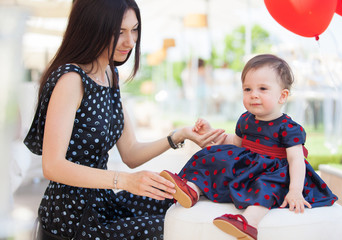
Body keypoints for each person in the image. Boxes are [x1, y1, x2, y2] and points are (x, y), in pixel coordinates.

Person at [23, 0, 224, 239]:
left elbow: (130, 153)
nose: (130, 41)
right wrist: (125, 182)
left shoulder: (110, 73)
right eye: (119, 32)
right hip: (72, 216)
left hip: (103, 202)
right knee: (171, 228)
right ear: (92, 27)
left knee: (178, 202)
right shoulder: (71, 79)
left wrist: (178, 135)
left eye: (134, 29)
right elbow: (52, 166)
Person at [160, 54, 338, 240]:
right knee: (213, 156)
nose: (254, 94)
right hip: (249, 165)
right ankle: (193, 189)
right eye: (247, 89)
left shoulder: (288, 128)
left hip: (275, 171)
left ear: (282, 95)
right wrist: (211, 131)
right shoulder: (246, 119)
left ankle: (248, 223)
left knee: (267, 186)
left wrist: (295, 191)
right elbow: (235, 142)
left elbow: (296, 160)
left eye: (262, 89)